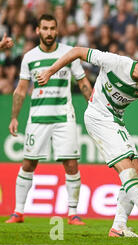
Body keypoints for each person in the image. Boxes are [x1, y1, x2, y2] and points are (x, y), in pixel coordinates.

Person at [36, 45, 138, 237]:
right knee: (127, 170)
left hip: (116, 121)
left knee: (137, 171)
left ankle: (119, 226)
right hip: (98, 117)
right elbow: (78, 51)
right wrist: (50, 71)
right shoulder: (115, 63)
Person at [6, 14, 93, 225]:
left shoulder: (68, 53)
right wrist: (14, 117)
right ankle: (18, 212)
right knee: (28, 163)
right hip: (37, 118)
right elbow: (21, 89)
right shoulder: (29, 57)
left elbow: (83, 83)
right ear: (38, 30)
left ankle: (72, 213)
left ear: (57, 29)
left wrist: (93, 106)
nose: (49, 32)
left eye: (52, 28)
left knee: (71, 164)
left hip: (64, 117)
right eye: (44, 28)